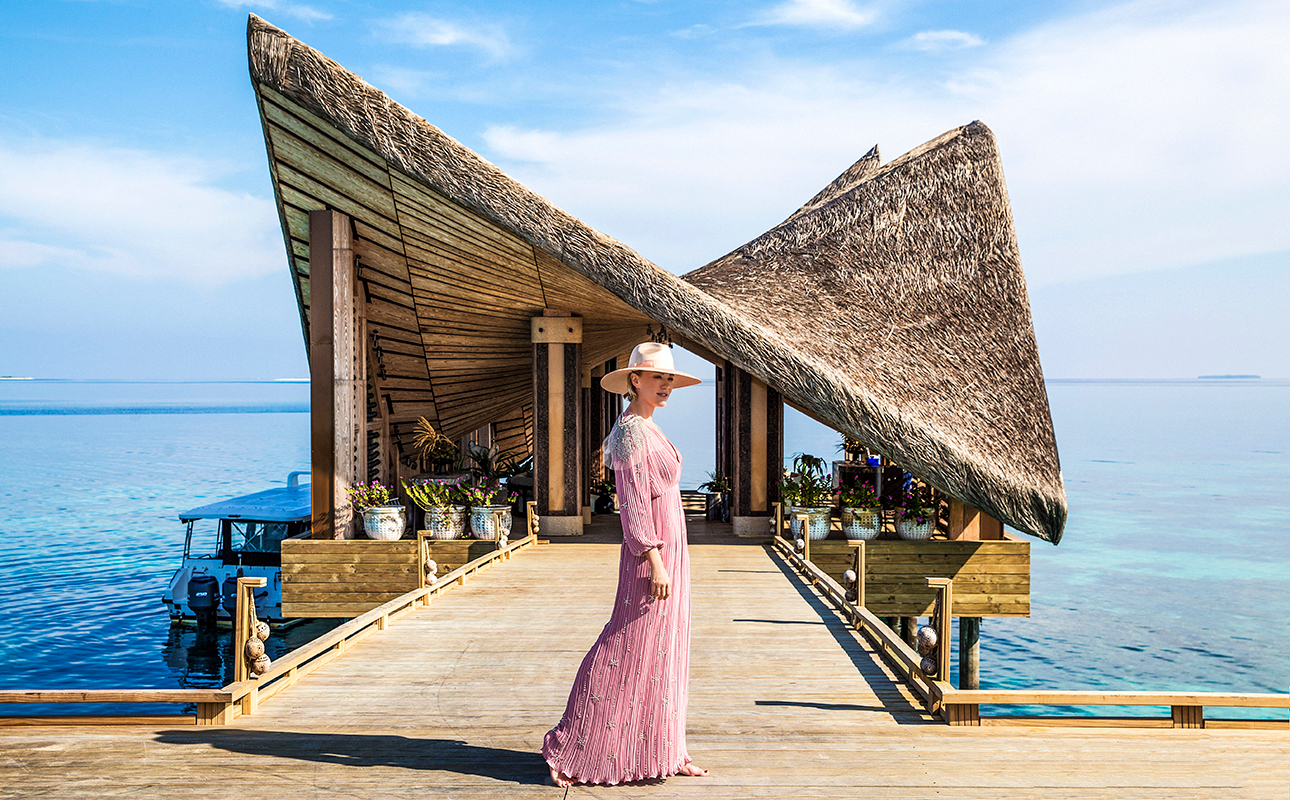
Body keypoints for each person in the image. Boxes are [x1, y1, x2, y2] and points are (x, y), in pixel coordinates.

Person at [542, 342, 710, 787]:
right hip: (650, 552)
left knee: (666, 650)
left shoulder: (648, 427)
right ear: (635, 380)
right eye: (658, 378)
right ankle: (571, 745)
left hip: (671, 548)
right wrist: (653, 559)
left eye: (670, 379)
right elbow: (632, 503)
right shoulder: (631, 431)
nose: (666, 386)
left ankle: (668, 749)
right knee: (624, 646)